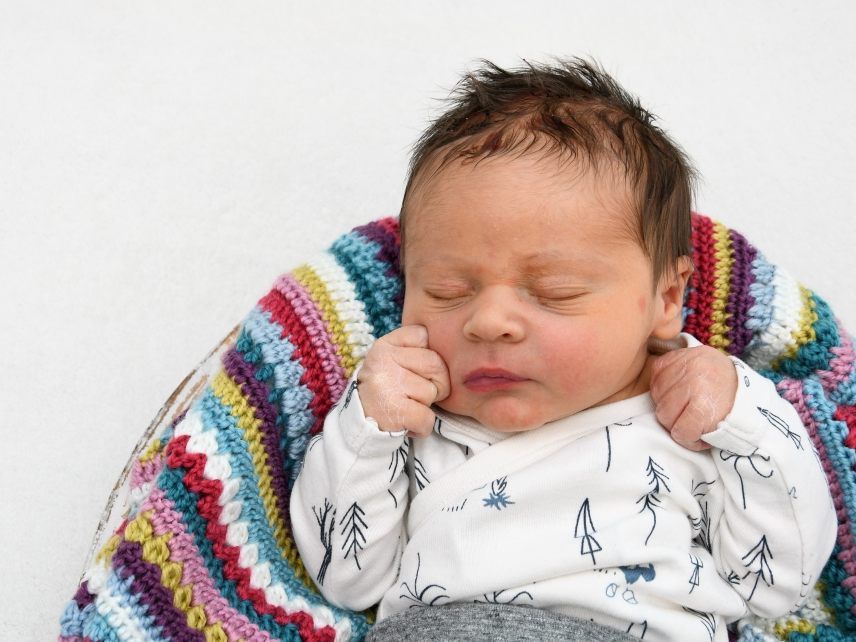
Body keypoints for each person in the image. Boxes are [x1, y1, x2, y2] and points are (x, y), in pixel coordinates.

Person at [289, 57, 837, 642]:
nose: (489, 321)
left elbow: (776, 585)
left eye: (556, 291)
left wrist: (745, 420)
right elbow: (346, 580)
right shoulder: (415, 425)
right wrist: (369, 428)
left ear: (666, 297)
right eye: (447, 291)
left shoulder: (689, 423)